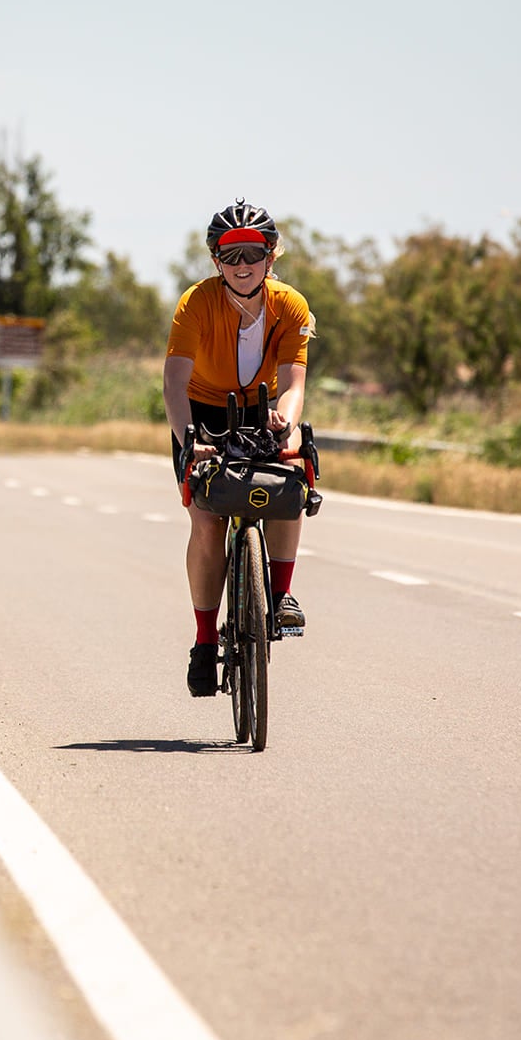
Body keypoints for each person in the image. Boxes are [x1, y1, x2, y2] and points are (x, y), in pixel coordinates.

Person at [163, 201, 314, 697]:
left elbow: (294, 382)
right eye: (231, 254)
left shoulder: (290, 305)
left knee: (290, 472)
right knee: (207, 521)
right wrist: (189, 442)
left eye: (253, 252)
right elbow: (174, 382)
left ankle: (283, 593)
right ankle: (205, 641)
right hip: (201, 412)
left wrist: (286, 425)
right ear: (216, 260)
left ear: (271, 257)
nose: (242, 263)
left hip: (261, 409)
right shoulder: (196, 303)